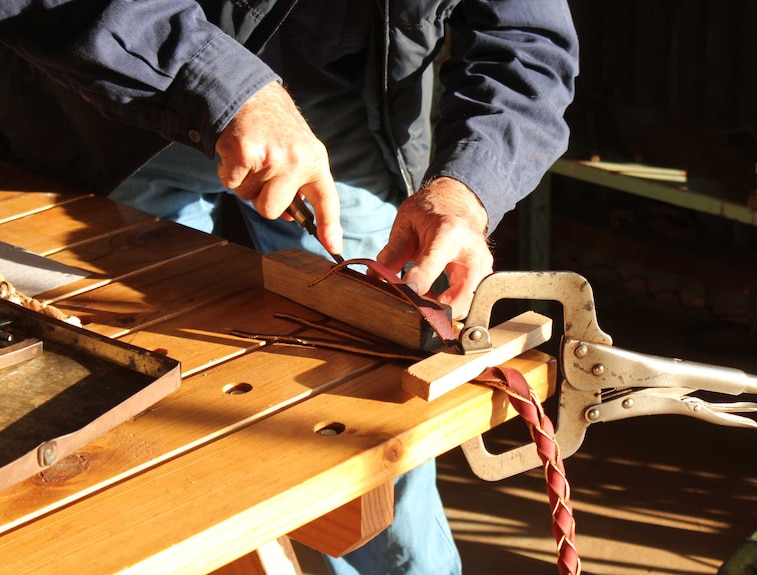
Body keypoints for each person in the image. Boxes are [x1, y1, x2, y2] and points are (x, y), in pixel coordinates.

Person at [0, 1, 579, 573]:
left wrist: (467, 187)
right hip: (121, 90)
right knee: (108, 382)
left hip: (346, 105)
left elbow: (529, 41)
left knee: (378, 421)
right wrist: (221, 82)